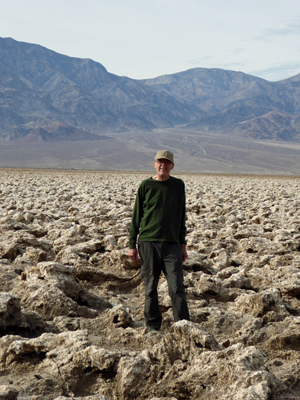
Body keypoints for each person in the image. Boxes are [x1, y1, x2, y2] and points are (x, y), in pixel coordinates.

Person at [128, 150, 190, 333]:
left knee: (177, 285)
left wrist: (183, 245)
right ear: (155, 164)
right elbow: (136, 216)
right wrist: (132, 244)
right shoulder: (146, 186)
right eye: (160, 162)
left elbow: (181, 217)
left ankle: (183, 325)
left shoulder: (178, 186)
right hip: (148, 243)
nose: (163, 165)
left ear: (172, 166)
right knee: (150, 286)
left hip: (172, 244)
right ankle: (153, 326)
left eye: (167, 162)